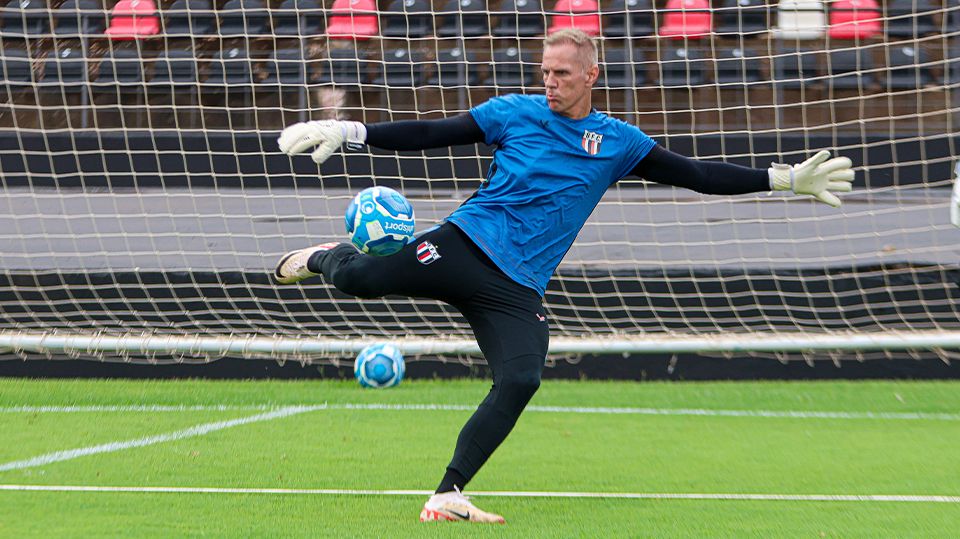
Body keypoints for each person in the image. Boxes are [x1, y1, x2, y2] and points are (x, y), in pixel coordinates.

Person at [273, 28, 855, 523]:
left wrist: (782, 179)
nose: (550, 82)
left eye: (561, 73)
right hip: (467, 243)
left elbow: (697, 173)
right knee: (363, 281)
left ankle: (448, 494)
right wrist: (352, 132)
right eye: (545, 71)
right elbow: (431, 133)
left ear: (590, 75)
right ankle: (324, 254)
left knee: (522, 377)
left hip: (518, 287)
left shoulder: (619, 142)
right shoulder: (513, 113)